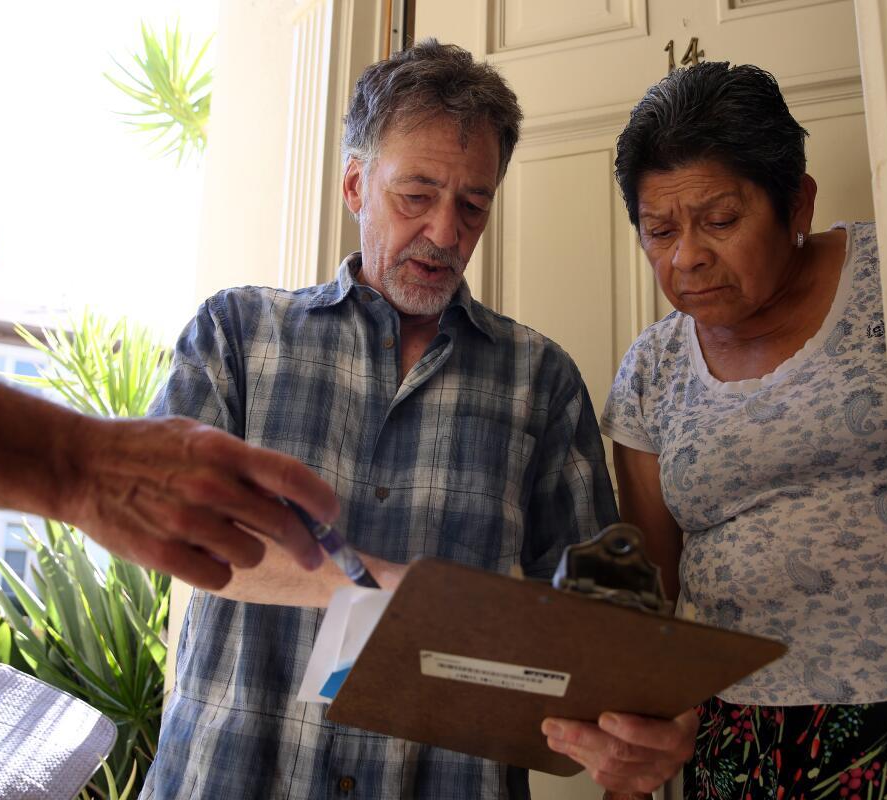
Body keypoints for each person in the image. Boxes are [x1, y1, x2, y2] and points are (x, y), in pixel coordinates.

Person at [141, 39, 695, 800]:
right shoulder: (235, 334)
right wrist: (394, 593)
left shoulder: (542, 380)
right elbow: (167, 525)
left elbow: (589, 628)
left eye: (473, 204)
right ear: (354, 184)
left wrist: (632, 724)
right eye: (416, 195)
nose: (444, 233)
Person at [600, 62, 887, 799]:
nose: (686, 257)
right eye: (659, 230)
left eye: (719, 220)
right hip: (735, 734)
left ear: (797, 204)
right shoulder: (653, 369)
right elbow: (654, 583)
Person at [0, 317, 338, 591]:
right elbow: (205, 548)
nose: (419, 225)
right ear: (355, 185)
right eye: (412, 196)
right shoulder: (239, 321)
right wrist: (80, 465)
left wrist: (79, 467)